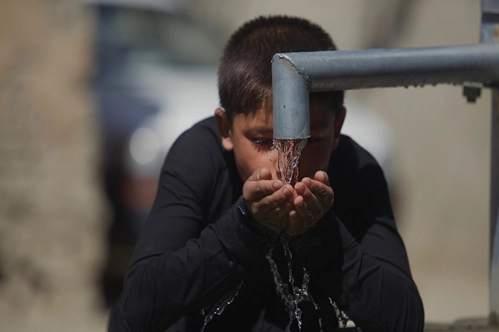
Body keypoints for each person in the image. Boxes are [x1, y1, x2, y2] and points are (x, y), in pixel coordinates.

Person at [108, 16, 424, 332]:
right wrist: (246, 226)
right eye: (261, 140)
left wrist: (321, 233)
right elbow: (134, 312)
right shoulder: (199, 157)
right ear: (226, 128)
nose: (285, 164)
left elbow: (404, 320)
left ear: (337, 127)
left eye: (309, 140)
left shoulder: (356, 169)